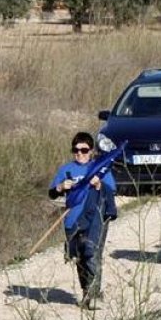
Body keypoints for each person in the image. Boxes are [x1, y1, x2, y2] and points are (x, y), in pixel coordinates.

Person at [48, 132, 117, 310]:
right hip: (73, 220)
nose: (79, 154)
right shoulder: (66, 170)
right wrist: (61, 187)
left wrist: (99, 185)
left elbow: (112, 190)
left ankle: (95, 295)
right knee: (79, 257)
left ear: (91, 150)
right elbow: (52, 194)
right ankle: (86, 290)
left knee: (92, 253)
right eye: (76, 150)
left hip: (96, 218)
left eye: (84, 150)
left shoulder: (99, 168)